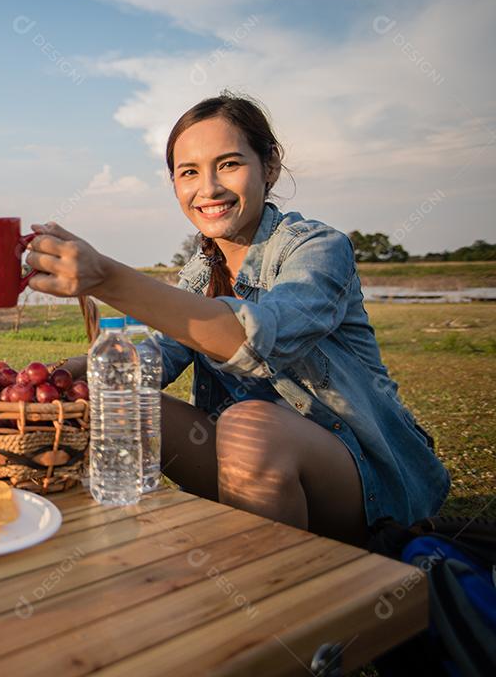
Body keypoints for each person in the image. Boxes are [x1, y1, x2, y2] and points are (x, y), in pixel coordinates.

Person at [27, 93, 448, 545]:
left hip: (364, 481)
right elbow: (162, 353)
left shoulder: (318, 248)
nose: (208, 189)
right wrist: (84, 371)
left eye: (228, 164)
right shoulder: (201, 270)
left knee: (249, 424)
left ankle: (266, 595)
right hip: (249, 466)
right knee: (115, 400)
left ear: (269, 167)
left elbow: (259, 344)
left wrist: (106, 278)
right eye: (189, 172)